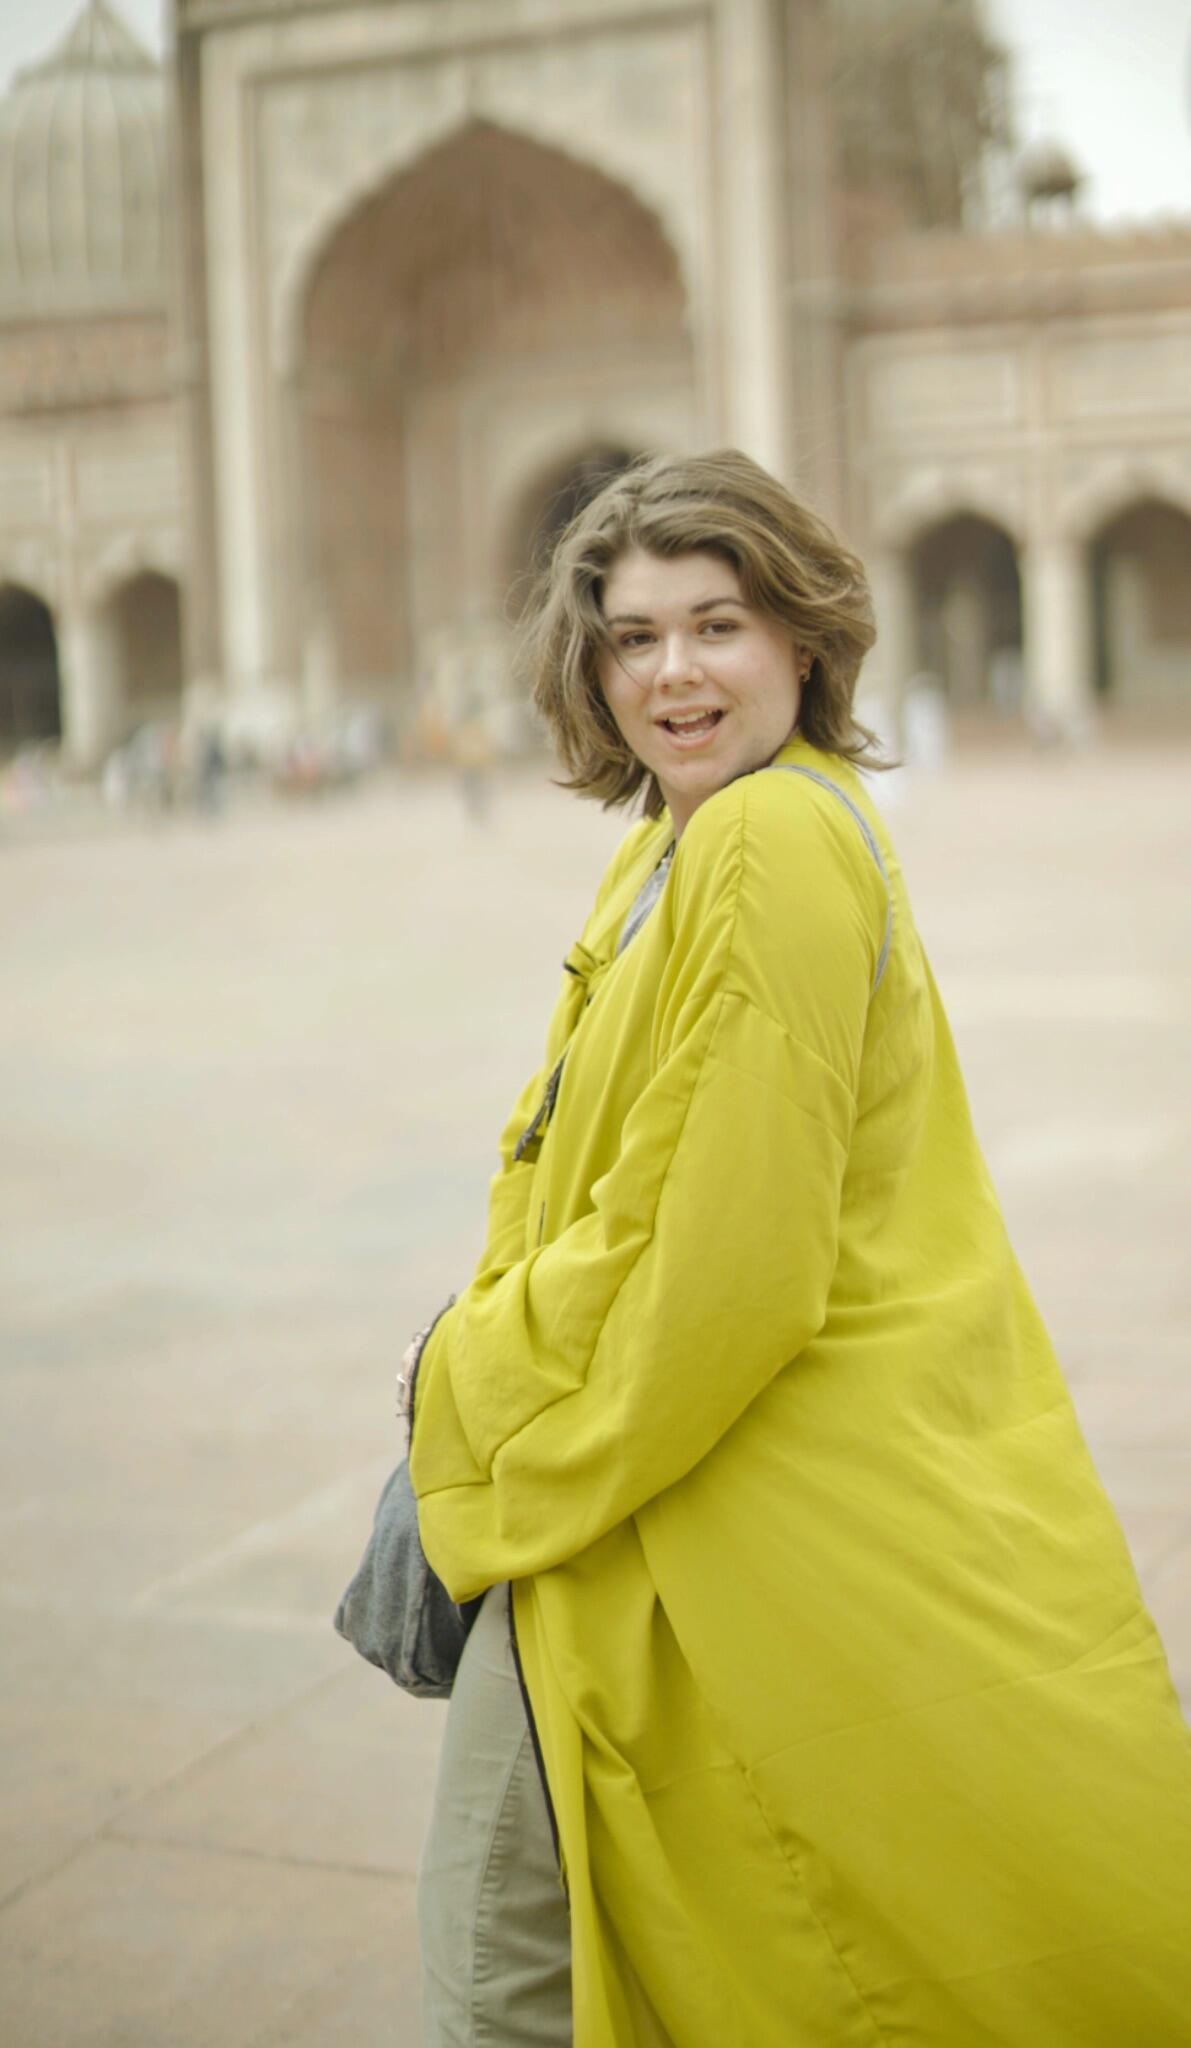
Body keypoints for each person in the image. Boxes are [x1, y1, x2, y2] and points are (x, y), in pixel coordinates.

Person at [403, 449, 1191, 2047]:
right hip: (657, 1468)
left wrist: (468, 1387)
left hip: (702, 1485)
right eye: (634, 637)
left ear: (805, 639)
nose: (673, 672)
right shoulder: (681, 841)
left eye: (719, 625)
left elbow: (725, 1259)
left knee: (501, 1973)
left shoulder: (771, 841)